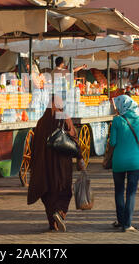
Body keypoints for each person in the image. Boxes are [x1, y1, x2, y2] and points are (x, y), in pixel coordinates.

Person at [27, 95, 85, 232]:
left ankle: (52, 223)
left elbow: (34, 145)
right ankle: (60, 212)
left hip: (44, 164)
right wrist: (80, 158)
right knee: (63, 190)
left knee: (47, 192)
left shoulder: (41, 122)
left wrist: (33, 164)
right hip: (61, 164)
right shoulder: (64, 118)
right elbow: (74, 138)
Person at [109, 95, 139, 232]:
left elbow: (112, 143)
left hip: (118, 162)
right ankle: (127, 224)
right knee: (131, 193)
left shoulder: (116, 121)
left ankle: (120, 220)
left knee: (118, 191)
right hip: (135, 162)